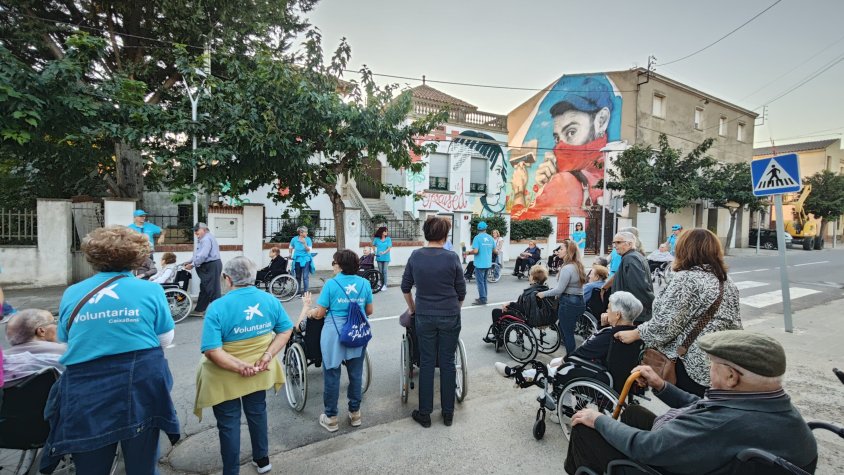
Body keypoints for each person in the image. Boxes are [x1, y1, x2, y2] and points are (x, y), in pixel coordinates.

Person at [564, 331, 817, 475]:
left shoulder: (722, 423)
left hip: (674, 464)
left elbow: (647, 447)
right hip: (710, 459)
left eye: (712, 365)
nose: (709, 371)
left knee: (584, 428)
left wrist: (598, 419)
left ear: (731, 377)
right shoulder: (771, 404)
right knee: (634, 414)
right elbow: (700, 404)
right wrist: (661, 386)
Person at [43, 226, 179, 474]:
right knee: (143, 464)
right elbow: (165, 338)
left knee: (91, 462)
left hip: (87, 390)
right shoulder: (150, 290)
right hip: (140, 386)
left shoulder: (73, 293)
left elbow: (64, 341)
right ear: (137, 257)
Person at [194, 257, 293, 475]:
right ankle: (263, 459)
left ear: (227, 279)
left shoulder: (217, 307)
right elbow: (286, 330)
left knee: (229, 423)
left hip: (224, 375)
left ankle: (231, 470)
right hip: (259, 370)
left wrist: (239, 366)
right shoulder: (270, 300)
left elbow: (211, 349)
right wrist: (267, 355)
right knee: (257, 413)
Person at [615, 229, 742, 396]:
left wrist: (635, 333)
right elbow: (735, 325)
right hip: (720, 364)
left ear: (685, 249)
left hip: (690, 365)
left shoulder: (686, 279)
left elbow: (666, 325)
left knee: (686, 411)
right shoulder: (725, 280)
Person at [402, 217, 466, 428]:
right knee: (447, 363)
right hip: (449, 315)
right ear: (445, 235)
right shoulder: (452, 257)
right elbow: (461, 292)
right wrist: (454, 310)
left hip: (424, 315)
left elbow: (405, 287)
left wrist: (413, 309)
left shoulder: (415, 256)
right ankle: (448, 414)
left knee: (427, 362)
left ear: (426, 233)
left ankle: (425, 413)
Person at [300, 249, 373, 432]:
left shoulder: (331, 285)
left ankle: (331, 417)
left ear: (340, 265)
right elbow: (369, 311)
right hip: (357, 332)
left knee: (332, 374)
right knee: (356, 374)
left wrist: (309, 311)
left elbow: (320, 313)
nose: (333, 265)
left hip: (334, 334)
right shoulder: (365, 283)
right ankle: (355, 413)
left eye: (334, 262)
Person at [496, 291, 640, 382]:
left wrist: (565, 360)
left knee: (555, 367)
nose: (606, 311)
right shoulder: (633, 332)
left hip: (597, 373)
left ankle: (517, 374)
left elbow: (585, 351)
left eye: (608, 308)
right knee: (555, 364)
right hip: (612, 373)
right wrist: (604, 325)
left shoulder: (612, 334)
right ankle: (524, 373)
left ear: (617, 314)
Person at [537, 240, 586, 355]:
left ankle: (571, 358)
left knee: (567, 334)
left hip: (568, 303)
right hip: (580, 302)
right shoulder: (578, 265)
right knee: (566, 329)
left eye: (561, 249)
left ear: (569, 252)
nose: (558, 251)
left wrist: (543, 294)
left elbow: (559, 289)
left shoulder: (567, 268)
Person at [485, 265, 551, 344]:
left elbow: (522, 308)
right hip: (538, 316)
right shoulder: (545, 289)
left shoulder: (530, 293)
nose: (529, 277)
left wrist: (509, 304)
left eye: (530, 275)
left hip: (526, 317)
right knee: (506, 310)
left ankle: (499, 338)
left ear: (533, 278)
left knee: (496, 312)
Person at [3, 308, 66, 383]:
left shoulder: (4, 362)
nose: (56, 327)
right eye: (54, 322)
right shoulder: (67, 354)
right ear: (41, 331)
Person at [607, 231, 654, 323]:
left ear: (629, 243)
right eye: (614, 242)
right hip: (635, 312)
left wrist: (652, 305)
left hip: (634, 314)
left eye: (618, 242)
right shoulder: (632, 256)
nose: (615, 245)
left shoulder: (630, 259)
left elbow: (639, 287)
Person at [463, 221, 495, 305]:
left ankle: (482, 299)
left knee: (480, 282)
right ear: (486, 228)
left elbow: (476, 251)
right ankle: (484, 297)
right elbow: (495, 250)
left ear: (478, 229)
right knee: (484, 281)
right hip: (488, 263)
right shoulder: (490, 238)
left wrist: (468, 253)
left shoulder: (477, 238)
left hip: (480, 263)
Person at [288, 226, 314, 297]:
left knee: (305, 277)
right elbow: (290, 246)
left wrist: (304, 244)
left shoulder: (308, 239)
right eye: (306, 232)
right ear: (301, 233)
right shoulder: (294, 239)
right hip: (297, 260)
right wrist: (290, 254)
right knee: (298, 276)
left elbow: (309, 250)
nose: (307, 233)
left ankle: (306, 293)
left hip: (306, 260)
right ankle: (298, 292)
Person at [373, 227, 392, 291]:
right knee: (380, 271)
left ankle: (385, 285)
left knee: (384, 271)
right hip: (379, 257)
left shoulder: (388, 239)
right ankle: (381, 284)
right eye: (385, 231)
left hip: (386, 257)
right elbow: (373, 245)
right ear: (382, 232)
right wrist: (375, 252)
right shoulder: (376, 239)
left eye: (387, 231)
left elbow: (389, 248)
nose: (387, 232)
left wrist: (384, 252)